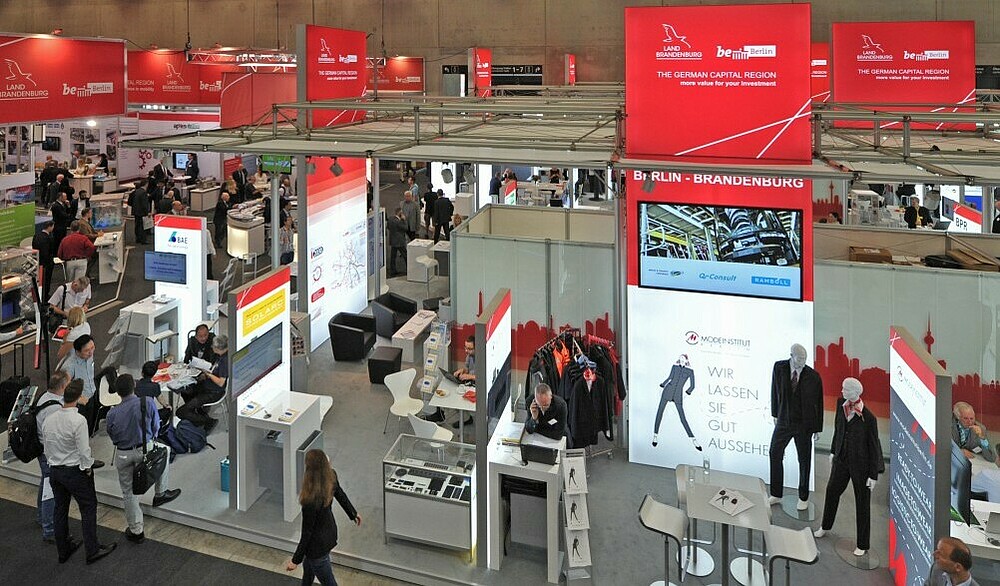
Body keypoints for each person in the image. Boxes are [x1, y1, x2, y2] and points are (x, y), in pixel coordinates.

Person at [41, 379, 117, 564]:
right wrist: (88, 468)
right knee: (88, 507)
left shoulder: (49, 419)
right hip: (74, 471)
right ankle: (92, 550)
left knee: (60, 509)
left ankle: (63, 550)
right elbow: (84, 451)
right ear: (79, 397)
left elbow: (46, 446)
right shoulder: (78, 420)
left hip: (55, 471)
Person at [106, 374, 181, 544]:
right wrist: (150, 437)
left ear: (117, 392)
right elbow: (155, 426)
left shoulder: (112, 413)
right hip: (145, 448)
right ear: (134, 386)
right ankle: (161, 492)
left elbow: (112, 435)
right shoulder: (146, 402)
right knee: (165, 451)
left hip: (123, 453)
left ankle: (136, 530)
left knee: (128, 492)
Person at [814, 378, 882, 556]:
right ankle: (825, 525)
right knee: (831, 492)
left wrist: (873, 475)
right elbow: (838, 430)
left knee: (862, 503)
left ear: (855, 392)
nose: (842, 391)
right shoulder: (841, 405)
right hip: (841, 460)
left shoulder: (869, 418)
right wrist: (833, 451)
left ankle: (862, 544)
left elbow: (874, 447)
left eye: (845, 389)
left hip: (861, 466)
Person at [286, 449, 361, 586]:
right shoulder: (331, 476)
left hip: (317, 548)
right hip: (328, 533)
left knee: (328, 581)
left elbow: (307, 533)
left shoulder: (310, 500)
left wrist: (295, 560)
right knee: (308, 570)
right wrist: (353, 513)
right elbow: (340, 495)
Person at [769, 343, 824, 511]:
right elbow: (774, 390)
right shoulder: (779, 368)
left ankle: (803, 496)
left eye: (805, 359)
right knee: (774, 452)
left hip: (804, 424)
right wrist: (775, 413)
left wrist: (817, 427)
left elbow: (819, 402)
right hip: (784, 420)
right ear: (791, 356)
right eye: (799, 358)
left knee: (804, 460)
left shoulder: (813, 376)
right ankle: (776, 493)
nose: (802, 361)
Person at [35, 371, 70, 544]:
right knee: (51, 493)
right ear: (62, 386)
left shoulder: (44, 397)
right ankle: (49, 529)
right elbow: (56, 435)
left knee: (45, 484)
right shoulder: (54, 408)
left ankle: (42, 517)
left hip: (43, 451)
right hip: (49, 454)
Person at [177, 334, 228, 429]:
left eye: (213, 346)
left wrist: (209, 374)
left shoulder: (224, 361)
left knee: (180, 412)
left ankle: (208, 421)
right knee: (185, 391)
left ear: (218, 348)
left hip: (213, 392)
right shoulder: (220, 357)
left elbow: (221, 382)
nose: (211, 347)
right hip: (207, 385)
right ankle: (197, 411)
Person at [651, 354, 701, 451]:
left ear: (686, 360)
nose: (681, 359)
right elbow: (669, 377)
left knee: (682, 418)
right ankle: (655, 436)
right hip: (668, 391)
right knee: (660, 412)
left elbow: (692, 386)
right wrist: (662, 386)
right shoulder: (674, 367)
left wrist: (686, 394)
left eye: (683, 358)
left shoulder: (690, 371)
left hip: (678, 395)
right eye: (680, 358)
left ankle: (693, 439)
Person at [33, 220, 56, 302]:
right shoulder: (49, 238)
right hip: (47, 264)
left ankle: (39, 295)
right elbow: (49, 252)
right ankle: (45, 296)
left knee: (39, 280)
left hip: (38, 262)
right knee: (46, 280)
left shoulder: (36, 236)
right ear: (49, 227)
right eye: (53, 227)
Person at [386, 207, 408, 277]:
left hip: (393, 241)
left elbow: (388, 227)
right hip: (400, 241)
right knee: (405, 255)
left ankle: (393, 270)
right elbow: (406, 228)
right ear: (400, 213)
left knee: (393, 257)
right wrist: (404, 220)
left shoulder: (390, 219)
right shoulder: (399, 222)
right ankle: (409, 269)